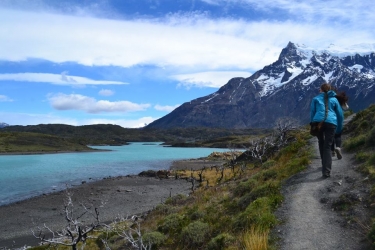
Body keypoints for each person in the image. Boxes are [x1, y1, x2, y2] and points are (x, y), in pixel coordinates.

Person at [310, 83, 344, 178]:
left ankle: (323, 164)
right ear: (329, 90)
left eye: (319, 89)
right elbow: (340, 114)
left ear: (321, 90)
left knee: (321, 143)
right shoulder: (334, 99)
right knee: (328, 146)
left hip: (318, 123)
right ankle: (326, 171)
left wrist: (312, 123)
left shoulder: (315, 99)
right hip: (331, 123)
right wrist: (339, 128)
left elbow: (312, 113)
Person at [331, 91, 349, 160]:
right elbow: (346, 108)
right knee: (338, 135)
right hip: (339, 118)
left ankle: (332, 151)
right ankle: (338, 147)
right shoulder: (339, 100)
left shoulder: (329, 99)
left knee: (331, 135)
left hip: (331, 119)